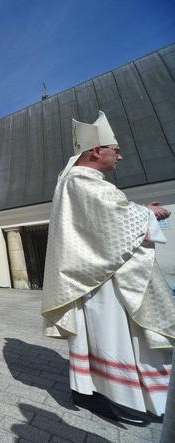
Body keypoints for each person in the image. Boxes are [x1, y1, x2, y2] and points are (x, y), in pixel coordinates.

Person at [42, 111, 175, 425]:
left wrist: (140, 212)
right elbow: (111, 221)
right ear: (95, 151)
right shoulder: (81, 180)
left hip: (99, 274)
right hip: (104, 282)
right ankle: (120, 396)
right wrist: (147, 213)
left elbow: (106, 219)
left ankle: (113, 391)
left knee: (110, 336)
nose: (121, 156)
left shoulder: (78, 180)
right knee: (114, 336)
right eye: (115, 150)